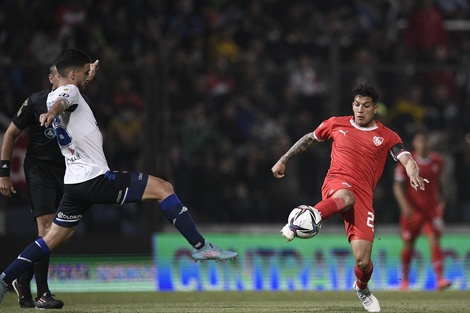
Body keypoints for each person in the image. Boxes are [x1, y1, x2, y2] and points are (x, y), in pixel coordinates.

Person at [0, 48, 237, 304]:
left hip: (74, 183)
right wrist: (54, 111)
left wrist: (68, 96)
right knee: (163, 188)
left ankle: (4, 280)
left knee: (52, 238)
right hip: (96, 179)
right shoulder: (68, 94)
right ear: (73, 74)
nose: (86, 77)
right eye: (83, 73)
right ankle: (202, 247)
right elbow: (65, 100)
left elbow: (65, 97)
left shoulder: (52, 96)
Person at [271, 83, 429, 313]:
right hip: (337, 184)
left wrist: (413, 169)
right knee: (346, 196)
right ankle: (309, 216)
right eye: (357, 105)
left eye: (366, 106)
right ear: (352, 106)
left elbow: (404, 156)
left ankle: (362, 288)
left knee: (363, 261)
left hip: (363, 197)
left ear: (375, 108)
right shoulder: (337, 123)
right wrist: (283, 159)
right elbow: (309, 138)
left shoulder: (386, 136)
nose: (360, 110)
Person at [0, 61, 96, 309]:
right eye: (59, 76)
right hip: (39, 171)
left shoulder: (77, 102)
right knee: (46, 229)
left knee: (60, 236)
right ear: (52, 79)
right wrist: (4, 173)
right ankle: (43, 293)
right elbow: (10, 134)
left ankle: (23, 279)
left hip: (69, 172)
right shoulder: (34, 102)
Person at [393, 129, 451, 291]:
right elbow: (397, 186)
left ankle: (440, 279)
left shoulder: (437, 161)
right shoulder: (407, 162)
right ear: (414, 143)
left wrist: (441, 201)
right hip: (413, 211)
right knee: (409, 245)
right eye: (420, 141)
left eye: (425, 141)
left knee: (433, 239)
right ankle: (404, 281)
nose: (423, 144)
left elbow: (439, 184)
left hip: (431, 210)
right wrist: (404, 205)